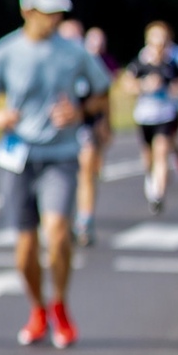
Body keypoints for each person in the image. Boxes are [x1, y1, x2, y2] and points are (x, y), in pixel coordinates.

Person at [0, 0, 110, 350]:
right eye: (47, 12)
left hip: (60, 156)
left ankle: (59, 305)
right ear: (27, 11)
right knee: (25, 248)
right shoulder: (5, 53)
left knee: (59, 232)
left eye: (58, 12)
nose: (55, 18)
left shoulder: (74, 53)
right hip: (18, 158)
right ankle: (37, 308)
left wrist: (80, 112)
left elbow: (102, 93)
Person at [122, 21, 178, 215]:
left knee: (162, 152)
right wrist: (145, 86)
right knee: (148, 156)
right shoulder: (141, 62)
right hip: (145, 116)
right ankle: (151, 178)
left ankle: (158, 195)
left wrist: (171, 89)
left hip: (165, 114)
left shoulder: (172, 63)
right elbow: (127, 85)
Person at [58, 19, 113, 247]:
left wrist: (105, 122)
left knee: (86, 173)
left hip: (85, 124)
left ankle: (85, 221)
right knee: (61, 177)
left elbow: (103, 94)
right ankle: (63, 219)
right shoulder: (50, 61)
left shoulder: (87, 61)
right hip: (57, 128)